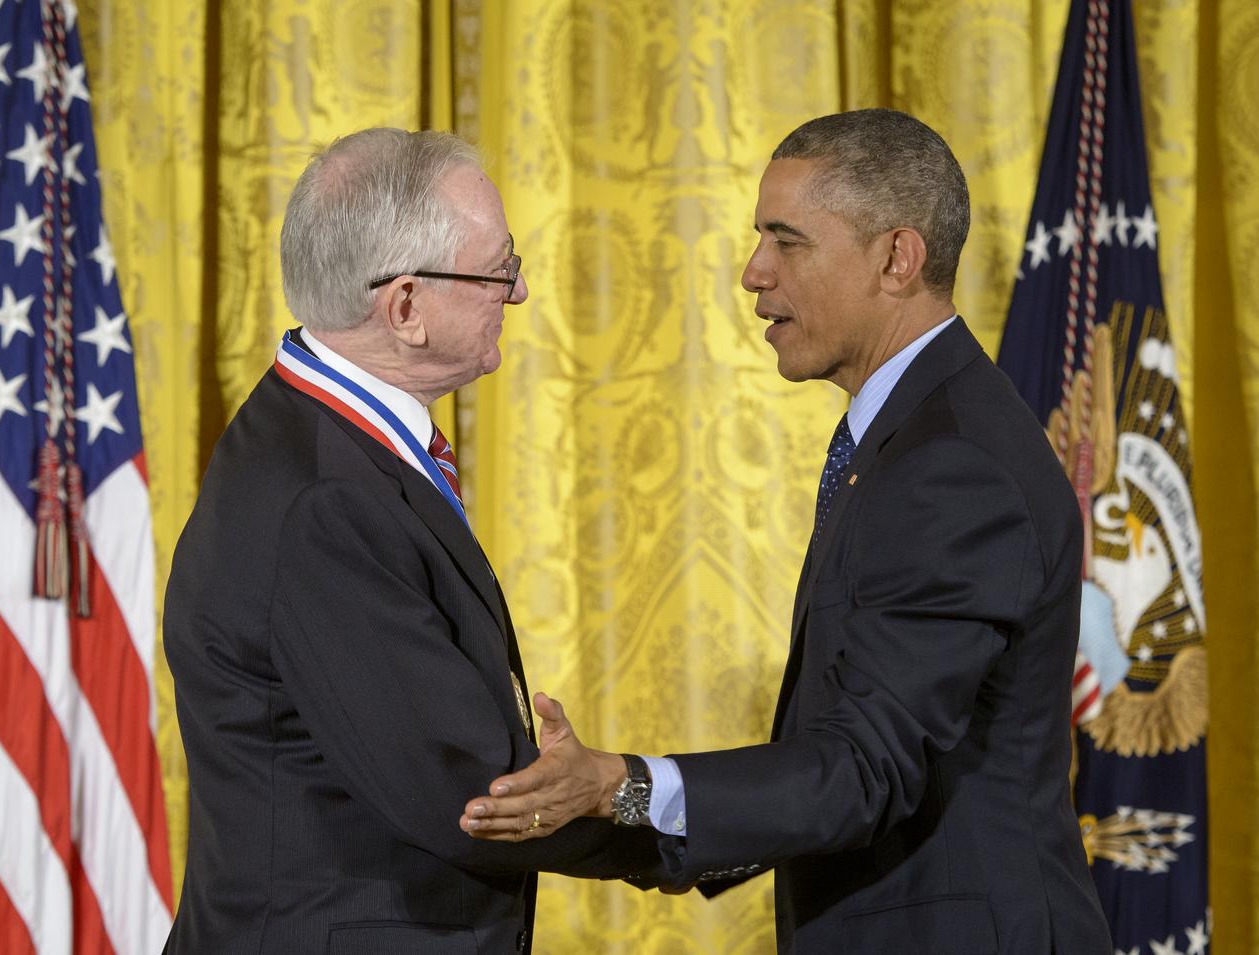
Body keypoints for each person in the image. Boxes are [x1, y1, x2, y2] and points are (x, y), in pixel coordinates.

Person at [459, 110, 1113, 954]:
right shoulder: (911, 437)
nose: (752, 272)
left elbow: (865, 769)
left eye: (787, 240)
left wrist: (621, 785)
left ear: (896, 258)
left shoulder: (953, 464)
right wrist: (596, 806)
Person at [162, 128, 659, 955]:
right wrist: (679, 812)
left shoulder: (308, 436)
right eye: (500, 267)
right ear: (404, 307)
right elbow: (473, 799)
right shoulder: (326, 502)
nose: (521, 289)